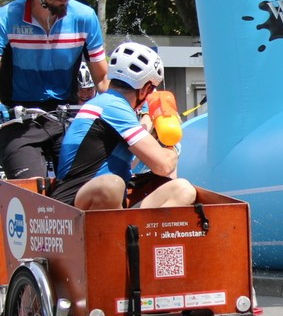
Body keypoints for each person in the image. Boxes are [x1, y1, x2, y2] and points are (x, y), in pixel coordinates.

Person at [0, 0, 107, 179]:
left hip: (66, 118)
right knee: (30, 193)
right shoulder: (6, 18)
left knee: (82, 188)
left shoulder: (84, 18)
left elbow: (103, 79)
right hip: (18, 122)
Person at [48, 42, 196, 210]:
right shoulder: (112, 107)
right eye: (151, 90)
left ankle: (137, 234)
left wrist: (151, 119)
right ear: (144, 89)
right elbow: (163, 166)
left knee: (183, 190)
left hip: (113, 204)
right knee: (112, 184)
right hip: (73, 203)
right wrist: (171, 138)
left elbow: (137, 150)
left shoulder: (110, 105)